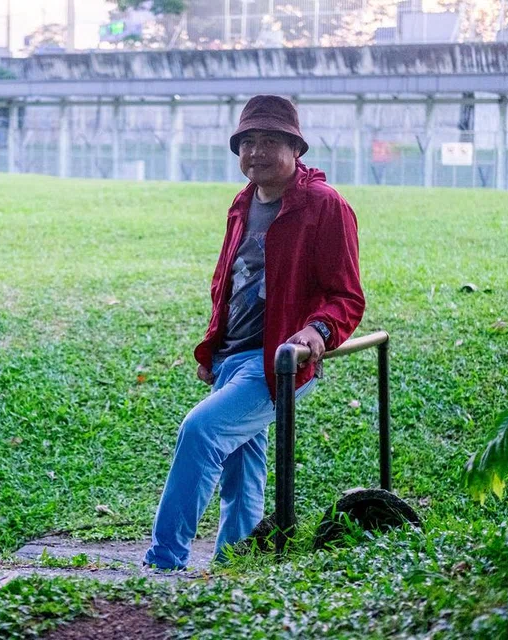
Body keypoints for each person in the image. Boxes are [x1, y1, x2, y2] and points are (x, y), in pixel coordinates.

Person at [143, 95, 365, 570]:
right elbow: (228, 278)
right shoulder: (243, 202)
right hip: (231, 356)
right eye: (248, 142)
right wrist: (212, 346)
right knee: (243, 465)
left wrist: (317, 330)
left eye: (269, 141)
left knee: (201, 431)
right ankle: (235, 563)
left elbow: (346, 295)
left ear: (296, 149)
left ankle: (164, 562)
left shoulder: (325, 206)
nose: (256, 152)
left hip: (275, 362)